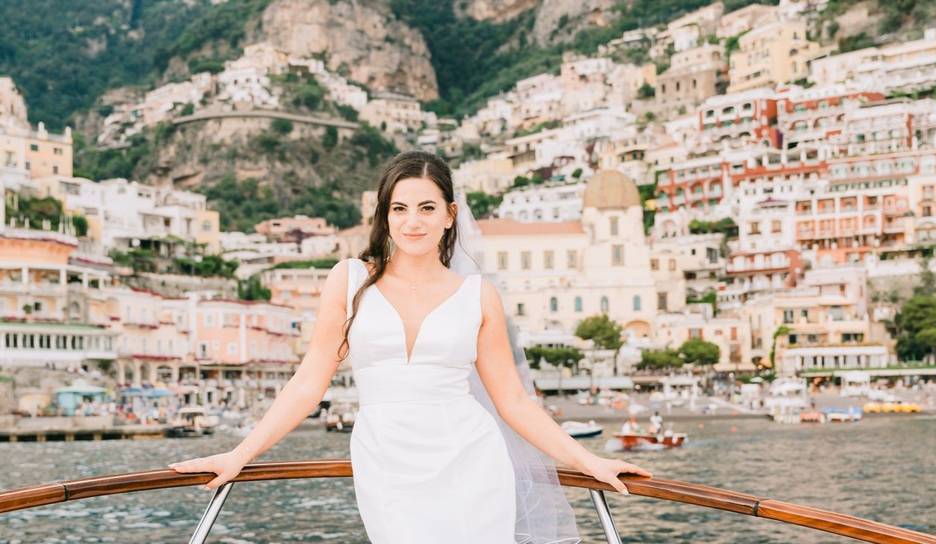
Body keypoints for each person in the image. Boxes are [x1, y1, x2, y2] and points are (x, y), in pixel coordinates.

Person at [169, 151, 650, 543]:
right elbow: (307, 384)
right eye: (399, 208)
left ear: (449, 215)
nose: (412, 222)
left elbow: (513, 401)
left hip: (473, 462)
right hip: (387, 462)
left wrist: (591, 462)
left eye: (426, 208)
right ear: (385, 215)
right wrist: (239, 454)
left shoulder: (477, 294)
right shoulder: (350, 279)